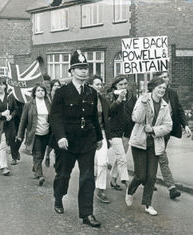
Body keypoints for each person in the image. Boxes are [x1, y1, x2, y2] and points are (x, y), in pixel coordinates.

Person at [50, 50, 103, 227]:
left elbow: (94, 117)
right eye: (79, 68)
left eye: (85, 68)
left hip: (87, 140)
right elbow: (55, 117)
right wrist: (60, 137)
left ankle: (87, 214)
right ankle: (58, 197)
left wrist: (99, 137)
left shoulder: (91, 92)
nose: (83, 71)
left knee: (88, 177)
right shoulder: (62, 92)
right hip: (67, 141)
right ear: (71, 71)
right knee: (64, 175)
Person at [125, 76, 172, 216]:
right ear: (153, 88)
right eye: (159, 87)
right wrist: (144, 104)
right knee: (140, 175)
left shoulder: (165, 105)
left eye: (164, 88)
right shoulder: (143, 99)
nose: (162, 90)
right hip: (139, 142)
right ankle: (130, 191)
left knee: (151, 177)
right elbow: (136, 118)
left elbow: (168, 126)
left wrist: (154, 130)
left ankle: (148, 204)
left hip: (154, 144)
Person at [154, 71, 191, 199]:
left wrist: (185, 125)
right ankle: (171, 187)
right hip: (153, 132)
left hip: (167, 131)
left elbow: (179, 109)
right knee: (161, 158)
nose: (166, 79)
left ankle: (151, 180)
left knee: (158, 155)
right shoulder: (151, 95)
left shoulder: (172, 93)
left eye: (167, 77)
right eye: (162, 78)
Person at [17, 83, 51, 186]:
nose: (41, 92)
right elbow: (23, 120)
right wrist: (20, 134)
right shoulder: (29, 104)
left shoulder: (49, 103)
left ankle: (35, 167)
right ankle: (40, 175)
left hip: (46, 133)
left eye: (42, 90)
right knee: (38, 154)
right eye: (38, 90)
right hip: (34, 133)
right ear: (34, 93)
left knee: (42, 153)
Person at [107, 75, 137, 190]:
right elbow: (109, 112)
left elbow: (134, 111)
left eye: (125, 84)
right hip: (114, 131)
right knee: (122, 158)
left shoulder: (131, 96)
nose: (124, 86)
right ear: (115, 85)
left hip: (127, 130)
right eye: (120, 84)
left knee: (121, 156)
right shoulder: (110, 96)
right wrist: (119, 100)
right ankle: (126, 181)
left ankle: (113, 180)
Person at [88, 74, 111, 204]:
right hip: (87, 135)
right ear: (90, 85)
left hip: (101, 134)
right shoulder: (84, 99)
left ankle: (100, 189)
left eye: (101, 84)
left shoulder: (102, 99)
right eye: (97, 84)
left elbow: (108, 115)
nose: (99, 87)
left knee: (103, 162)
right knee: (89, 163)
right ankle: (88, 186)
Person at [44, 79, 62, 167]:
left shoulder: (61, 96)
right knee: (50, 142)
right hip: (48, 122)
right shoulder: (47, 97)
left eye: (58, 85)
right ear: (51, 87)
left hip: (57, 122)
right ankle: (47, 155)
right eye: (55, 85)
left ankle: (57, 161)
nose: (57, 87)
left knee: (56, 141)